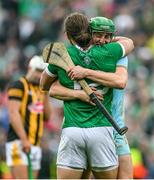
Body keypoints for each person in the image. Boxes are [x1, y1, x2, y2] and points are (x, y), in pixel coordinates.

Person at [40, 12, 134, 179]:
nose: (103, 40)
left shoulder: (63, 55)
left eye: (107, 36)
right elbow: (129, 43)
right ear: (89, 32)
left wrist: (82, 76)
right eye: (98, 35)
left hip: (74, 130)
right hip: (102, 129)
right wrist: (81, 94)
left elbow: (45, 85)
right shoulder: (112, 52)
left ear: (67, 35)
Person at [5, 55, 52, 179]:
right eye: (37, 70)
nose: (38, 75)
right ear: (30, 68)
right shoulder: (18, 85)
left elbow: (47, 116)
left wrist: (46, 92)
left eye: (42, 72)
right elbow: (13, 113)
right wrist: (24, 139)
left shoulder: (40, 89)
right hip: (19, 142)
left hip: (35, 144)